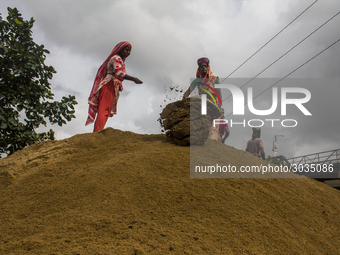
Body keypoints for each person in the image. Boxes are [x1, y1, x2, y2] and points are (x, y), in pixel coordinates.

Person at [85, 41, 143, 132]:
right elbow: (118, 73)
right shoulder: (117, 58)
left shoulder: (117, 59)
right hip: (110, 84)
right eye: (126, 50)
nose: (128, 53)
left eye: (130, 51)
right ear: (120, 49)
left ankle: (98, 131)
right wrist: (134, 79)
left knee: (105, 110)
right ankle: (98, 132)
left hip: (110, 84)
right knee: (104, 110)